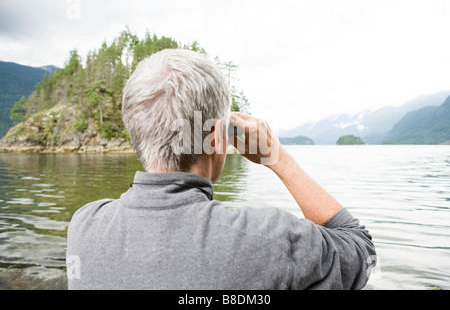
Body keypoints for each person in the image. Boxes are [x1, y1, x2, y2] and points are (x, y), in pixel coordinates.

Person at [66, 49, 376, 290]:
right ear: (217, 138)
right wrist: (278, 157)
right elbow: (361, 251)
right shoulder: (269, 238)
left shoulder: (84, 225)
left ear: (138, 132)